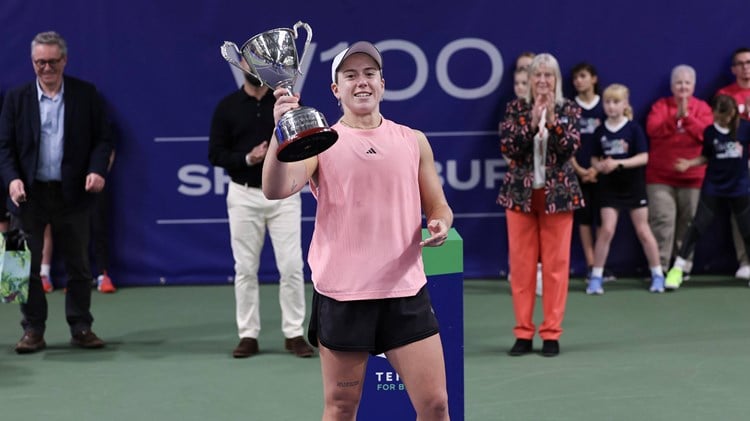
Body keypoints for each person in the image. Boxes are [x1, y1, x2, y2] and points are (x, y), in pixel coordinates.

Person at [262, 41, 452, 419]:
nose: (361, 82)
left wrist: (440, 222)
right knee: (341, 408)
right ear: (336, 90)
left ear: (383, 84)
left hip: (405, 291)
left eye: (369, 74)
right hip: (344, 295)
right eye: (350, 76)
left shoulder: (413, 141)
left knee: (435, 405)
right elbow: (275, 189)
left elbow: (438, 205)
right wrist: (279, 131)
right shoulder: (320, 144)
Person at [0, 31, 112, 353]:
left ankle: (81, 327)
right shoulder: (16, 98)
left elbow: (103, 140)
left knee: (79, 265)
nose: (46, 68)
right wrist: (11, 179)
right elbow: (4, 147)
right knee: (21, 267)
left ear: (64, 60)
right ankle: (32, 330)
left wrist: (96, 170)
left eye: (52, 61)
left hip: (72, 194)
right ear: (32, 62)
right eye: (39, 62)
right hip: (26, 196)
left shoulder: (86, 94)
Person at [208, 59, 313, 359]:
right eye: (248, 62)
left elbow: (304, 139)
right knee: (244, 268)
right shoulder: (227, 107)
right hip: (243, 195)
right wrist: (247, 159)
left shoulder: (286, 102)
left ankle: (294, 333)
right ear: (240, 66)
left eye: (259, 63)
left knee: (292, 267)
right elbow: (215, 153)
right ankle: (247, 335)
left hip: (284, 196)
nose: (253, 68)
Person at [498, 53, 583, 357]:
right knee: (521, 269)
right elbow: (509, 147)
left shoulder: (568, 109)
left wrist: (553, 122)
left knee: (556, 268)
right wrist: (532, 123)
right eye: (538, 75)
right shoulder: (515, 108)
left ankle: (551, 333)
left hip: (557, 197)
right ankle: (523, 332)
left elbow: (569, 148)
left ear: (557, 80)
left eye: (549, 75)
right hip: (520, 197)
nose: (543, 81)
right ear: (530, 79)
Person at [586, 84, 665, 295]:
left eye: (616, 102)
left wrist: (619, 164)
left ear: (625, 104)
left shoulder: (634, 129)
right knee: (607, 230)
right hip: (609, 189)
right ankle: (596, 278)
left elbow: (644, 157)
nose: (611, 107)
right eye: (607, 102)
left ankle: (657, 275)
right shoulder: (600, 131)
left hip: (633, 186)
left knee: (642, 230)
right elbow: (593, 158)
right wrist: (599, 166)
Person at [665, 95, 750, 289]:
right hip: (714, 186)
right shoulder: (710, 132)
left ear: (732, 114)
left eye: (725, 117)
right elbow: (706, 156)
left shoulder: (745, 128)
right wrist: (688, 163)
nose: (721, 120)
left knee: (747, 230)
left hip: (739, 187)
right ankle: (677, 270)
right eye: (717, 116)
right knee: (697, 227)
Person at [645, 65, 713, 280]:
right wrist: (675, 117)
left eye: (687, 83)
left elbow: (708, 135)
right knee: (662, 221)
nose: (683, 87)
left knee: (690, 222)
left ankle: (682, 266)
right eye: (678, 82)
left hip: (693, 177)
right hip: (660, 177)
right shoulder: (660, 106)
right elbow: (653, 130)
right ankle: (660, 266)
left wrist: (688, 118)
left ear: (693, 86)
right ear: (672, 86)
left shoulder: (702, 108)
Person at [568, 62, 611, 283]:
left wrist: (596, 168)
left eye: (583, 76)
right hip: (577, 172)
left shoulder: (605, 106)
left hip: (603, 172)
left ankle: (601, 266)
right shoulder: (569, 108)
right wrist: (580, 170)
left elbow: (611, 137)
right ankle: (590, 263)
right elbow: (565, 144)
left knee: (605, 220)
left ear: (593, 79)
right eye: (575, 78)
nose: (578, 81)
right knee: (584, 219)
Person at [717, 47, 750, 280]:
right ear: (733, 69)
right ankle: (745, 261)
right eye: (740, 63)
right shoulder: (725, 94)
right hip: (738, 161)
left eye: (749, 62)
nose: (745, 67)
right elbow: (720, 129)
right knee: (742, 212)